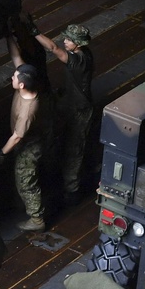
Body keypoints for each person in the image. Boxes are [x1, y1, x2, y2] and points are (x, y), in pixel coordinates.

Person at [35, 23, 94, 206]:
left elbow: (53, 48)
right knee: (63, 142)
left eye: (69, 40)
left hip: (79, 111)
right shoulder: (83, 54)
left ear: (78, 44)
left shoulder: (78, 60)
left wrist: (35, 33)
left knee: (74, 150)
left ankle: (72, 190)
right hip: (71, 104)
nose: (65, 41)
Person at [0, 33, 45, 232]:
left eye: (14, 78)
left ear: (21, 85)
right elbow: (17, 59)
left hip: (28, 147)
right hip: (24, 141)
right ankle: (20, 202)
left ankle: (37, 219)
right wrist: (8, 35)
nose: (12, 77)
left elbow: (17, 137)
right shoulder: (29, 82)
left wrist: (1, 153)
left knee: (26, 181)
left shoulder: (28, 111)